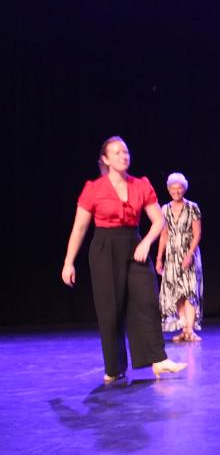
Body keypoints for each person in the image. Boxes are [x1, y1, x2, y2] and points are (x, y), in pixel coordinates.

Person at [61, 136, 187, 382]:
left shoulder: (141, 185)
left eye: (126, 151)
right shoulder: (94, 189)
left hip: (134, 243)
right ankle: (114, 367)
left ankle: (158, 359)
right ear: (106, 159)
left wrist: (146, 242)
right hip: (105, 247)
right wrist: (68, 262)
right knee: (110, 308)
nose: (123, 156)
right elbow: (79, 228)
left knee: (147, 299)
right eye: (117, 152)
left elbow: (159, 220)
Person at [155, 172, 204, 342]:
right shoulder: (164, 209)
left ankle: (190, 329)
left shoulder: (192, 207)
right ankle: (184, 329)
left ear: (184, 189)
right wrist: (159, 258)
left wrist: (190, 254)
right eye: (173, 188)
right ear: (168, 190)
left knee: (189, 291)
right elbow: (164, 235)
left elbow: (197, 234)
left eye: (179, 188)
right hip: (171, 256)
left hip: (188, 254)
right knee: (177, 293)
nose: (176, 191)